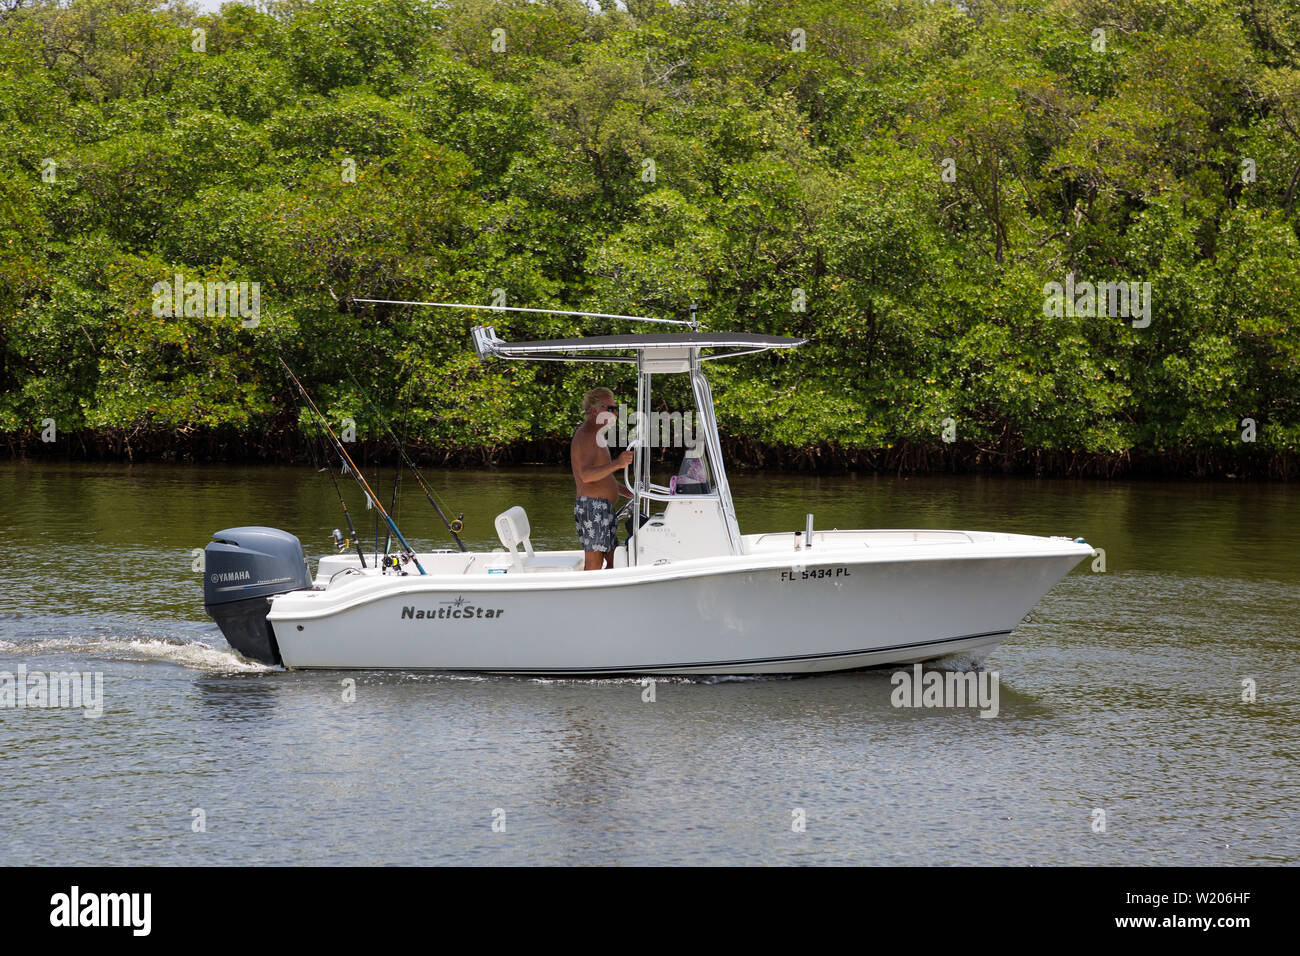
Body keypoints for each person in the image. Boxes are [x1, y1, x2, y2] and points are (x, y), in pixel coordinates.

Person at [571, 387, 634, 570]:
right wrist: (617, 463)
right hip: (593, 508)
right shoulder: (586, 435)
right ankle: (585, 597)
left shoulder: (597, 435)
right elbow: (586, 475)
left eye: (615, 408)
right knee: (594, 562)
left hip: (603, 509)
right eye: (610, 408)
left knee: (615, 560)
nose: (615, 413)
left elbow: (601, 475)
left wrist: (623, 490)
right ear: (594, 411)